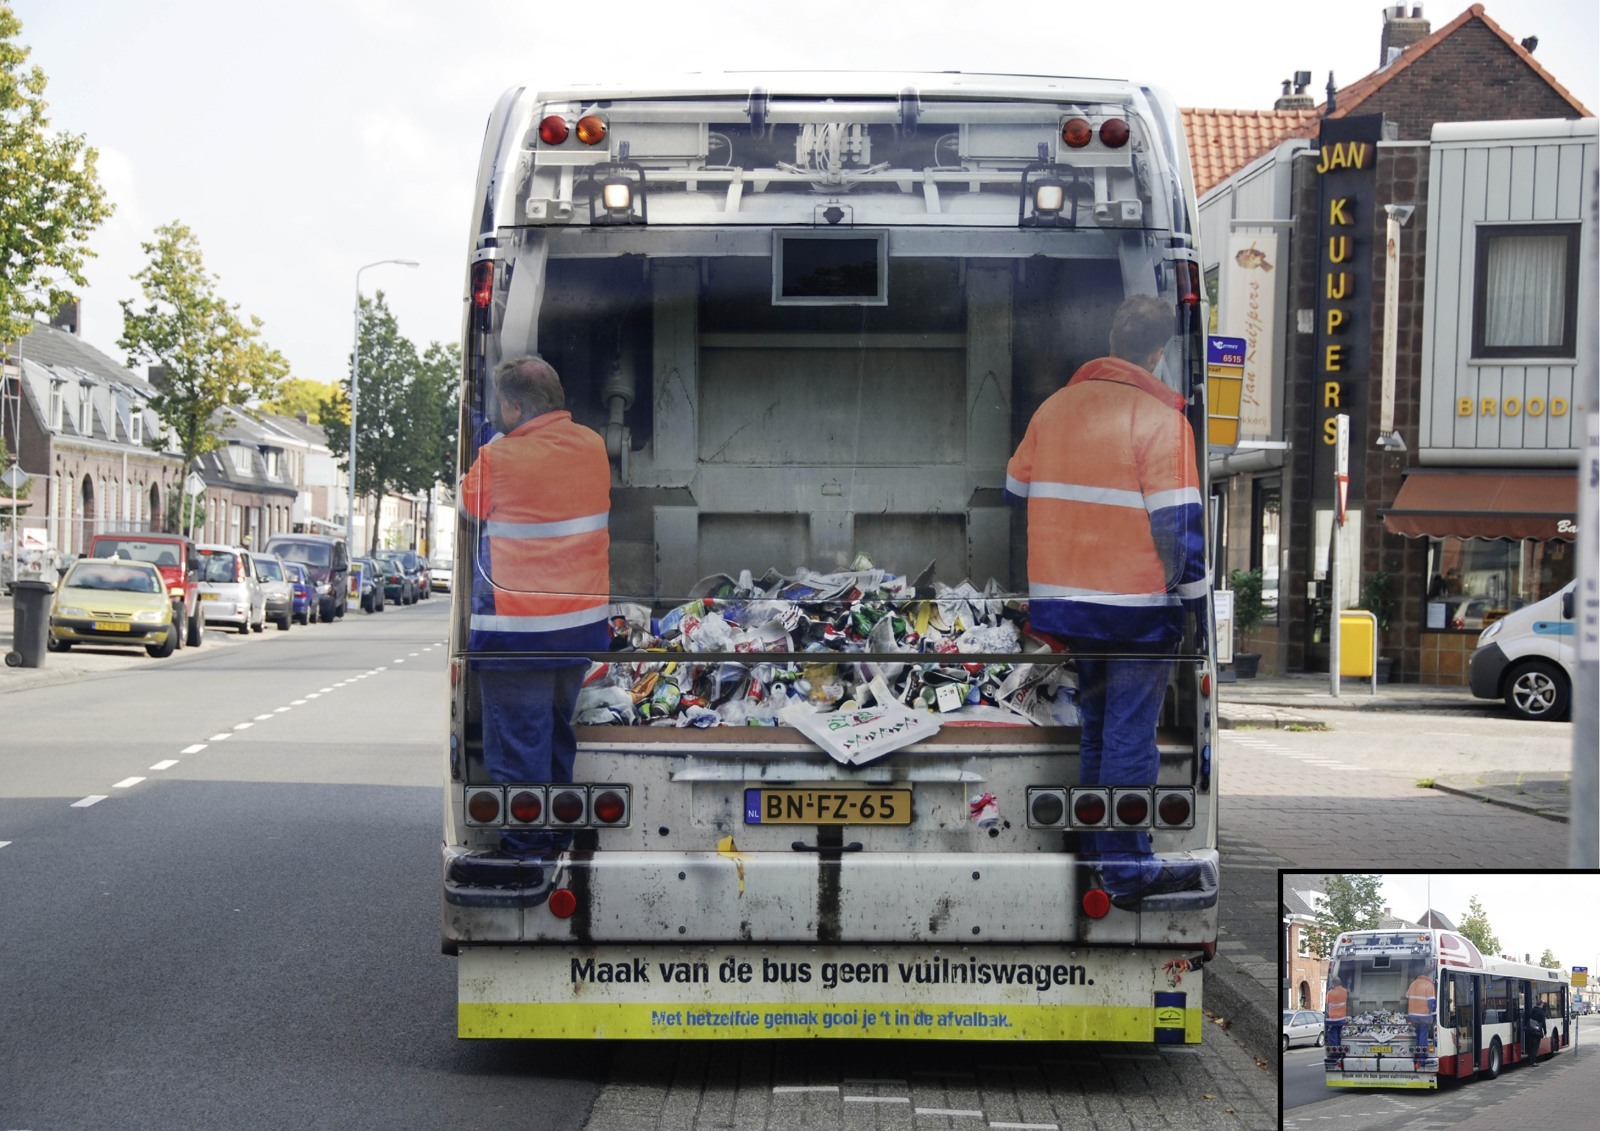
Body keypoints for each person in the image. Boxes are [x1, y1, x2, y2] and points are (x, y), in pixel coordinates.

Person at [1006, 294, 1212, 910]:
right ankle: (1126, 871)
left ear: (1112, 340)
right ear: (1157, 352)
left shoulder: (1054, 408)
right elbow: (1181, 533)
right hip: (1134, 610)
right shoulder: (1159, 421)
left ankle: (1103, 856)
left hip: (1067, 606)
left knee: (1096, 732)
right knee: (1129, 738)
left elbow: (1015, 487)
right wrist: (1197, 610)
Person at [459, 355, 611, 856]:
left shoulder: (500, 459)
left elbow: (470, 503)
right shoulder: (593, 446)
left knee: (519, 748)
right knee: (555, 740)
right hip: (577, 635)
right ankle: (558, 833)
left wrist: (490, 442)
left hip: (518, 638)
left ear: (512, 405)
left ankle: (527, 846)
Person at [1405, 971, 1436, 1068]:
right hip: (1423, 1016)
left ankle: (1417, 1056)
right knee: (1423, 1036)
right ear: (1428, 975)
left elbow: (1407, 997)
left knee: (1417, 1035)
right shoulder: (1429, 985)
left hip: (1412, 1015)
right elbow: (1431, 1004)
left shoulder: (1413, 983)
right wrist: (1433, 1013)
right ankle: (1421, 1059)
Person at [1325, 974, 1348, 1055]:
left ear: (1333, 984)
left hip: (1332, 1020)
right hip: (1342, 1019)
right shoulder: (1345, 991)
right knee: (1338, 1035)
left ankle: (1336, 1054)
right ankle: (1340, 1051)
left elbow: (1327, 1004)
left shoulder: (1330, 993)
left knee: (1332, 1037)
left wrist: (1330, 989)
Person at [1525, 997, 1547, 1065]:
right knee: (1535, 1046)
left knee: (1531, 1046)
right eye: (1543, 1004)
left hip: (1530, 1030)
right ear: (1541, 1004)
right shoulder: (1541, 1012)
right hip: (1537, 1031)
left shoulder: (1532, 1010)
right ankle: (1533, 1062)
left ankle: (1530, 1060)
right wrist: (1545, 1031)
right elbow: (1543, 1023)